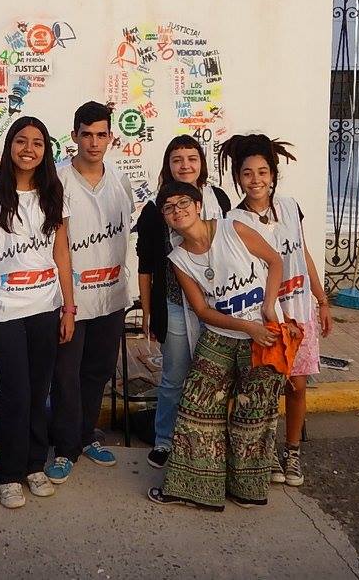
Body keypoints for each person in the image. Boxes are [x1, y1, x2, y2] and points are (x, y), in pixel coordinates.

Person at [146, 181, 294, 510]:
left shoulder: (233, 228)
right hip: (220, 335)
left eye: (183, 203)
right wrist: (246, 326)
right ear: (165, 217)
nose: (177, 211)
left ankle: (248, 490)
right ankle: (195, 489)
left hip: (264, 334)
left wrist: (269, 308)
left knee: (253, 415)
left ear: (198, 205)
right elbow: (202, 310)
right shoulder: (179, 258)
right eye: (169, 208)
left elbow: (275, 261)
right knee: (196, 408)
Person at [219, 133, 332, 488]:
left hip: (300, 309)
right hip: (265, 316)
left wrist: (322, 299)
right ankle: (264, 454)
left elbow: (303, 251)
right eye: (247, 173)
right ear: (238, 178)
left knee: (297, 386)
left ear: (273, 175)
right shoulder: (235, 220)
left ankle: (292, 452)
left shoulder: (290, 207)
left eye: (262, 172)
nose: (255, 180)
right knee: (265, 389)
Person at [0, 116, 76, 509]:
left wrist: (68, 308)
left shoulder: (54, 195)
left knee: (39, 391)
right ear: (9, 146)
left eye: (37, 143)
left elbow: (62, 254)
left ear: (46, 151)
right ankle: (9, 473)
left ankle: (35, 465)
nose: (29, 149)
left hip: (45, 306)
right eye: (21, 141)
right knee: (15, 393)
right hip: (2, 308)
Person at [46, 102, 134, 483]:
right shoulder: (58, 181)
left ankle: (85, 436)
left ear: (111, 137)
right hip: (72, 298)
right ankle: (65, 448)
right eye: (87, 134)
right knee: (66, 374)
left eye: (101, 134)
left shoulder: (120, 181)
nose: (94, 142)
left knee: (98, 371)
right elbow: (57, 245)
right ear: (74, 136)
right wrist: (66, 303)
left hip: (111, 296)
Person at [135, 135, 231, 469]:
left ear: (201, 164)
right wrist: (147, 312)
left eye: (192, 158)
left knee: (217, 376)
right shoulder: (154, 210)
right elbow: (146, 266)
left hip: (219, 302)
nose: (185, 165)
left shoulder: (218, 199)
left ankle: (211, 440)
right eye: (177, 159)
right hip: (176, 305)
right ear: (168, 165)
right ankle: (164, 440)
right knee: (174, 377)